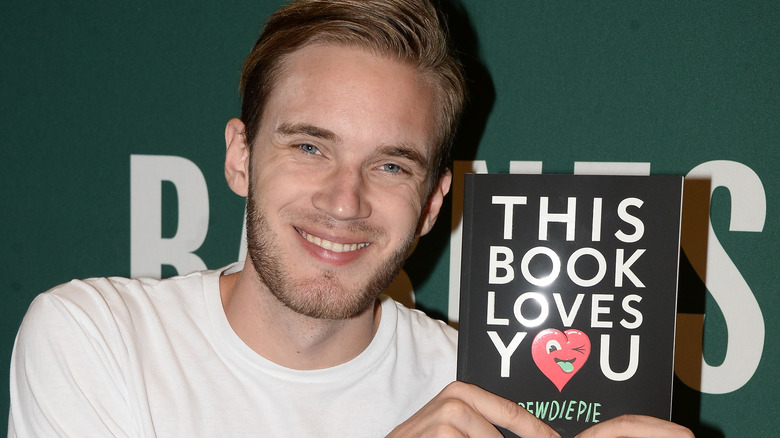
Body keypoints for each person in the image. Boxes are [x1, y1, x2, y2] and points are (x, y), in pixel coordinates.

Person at [9, 1, 693, 437]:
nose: (345, 201)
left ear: (430, 206)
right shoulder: (97, 340)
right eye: (310, 146)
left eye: (391, 165)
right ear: (240, 157)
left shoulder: (492, 394)